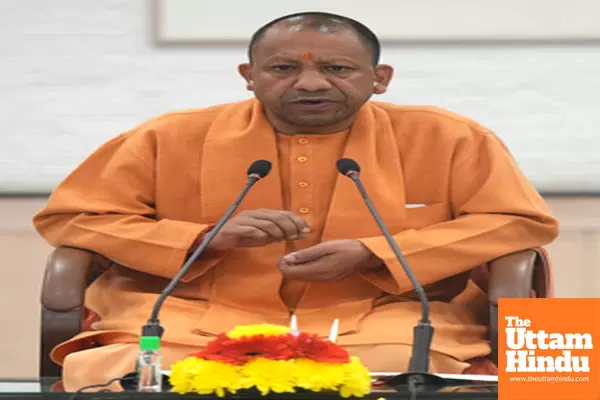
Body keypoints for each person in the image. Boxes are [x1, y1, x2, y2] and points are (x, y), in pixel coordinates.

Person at [33, 11, 559, 391]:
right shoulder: (167, 137)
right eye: (283, 69)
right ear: (249, 77)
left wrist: (380, 253)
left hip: (385, 314)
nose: (311, 82)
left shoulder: (448, 137)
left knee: (397, 363)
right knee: (137, 366)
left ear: (379, 79)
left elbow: (518, 222)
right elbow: (73, 216)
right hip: (189, 315)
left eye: (338, 69)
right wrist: (199, 238)